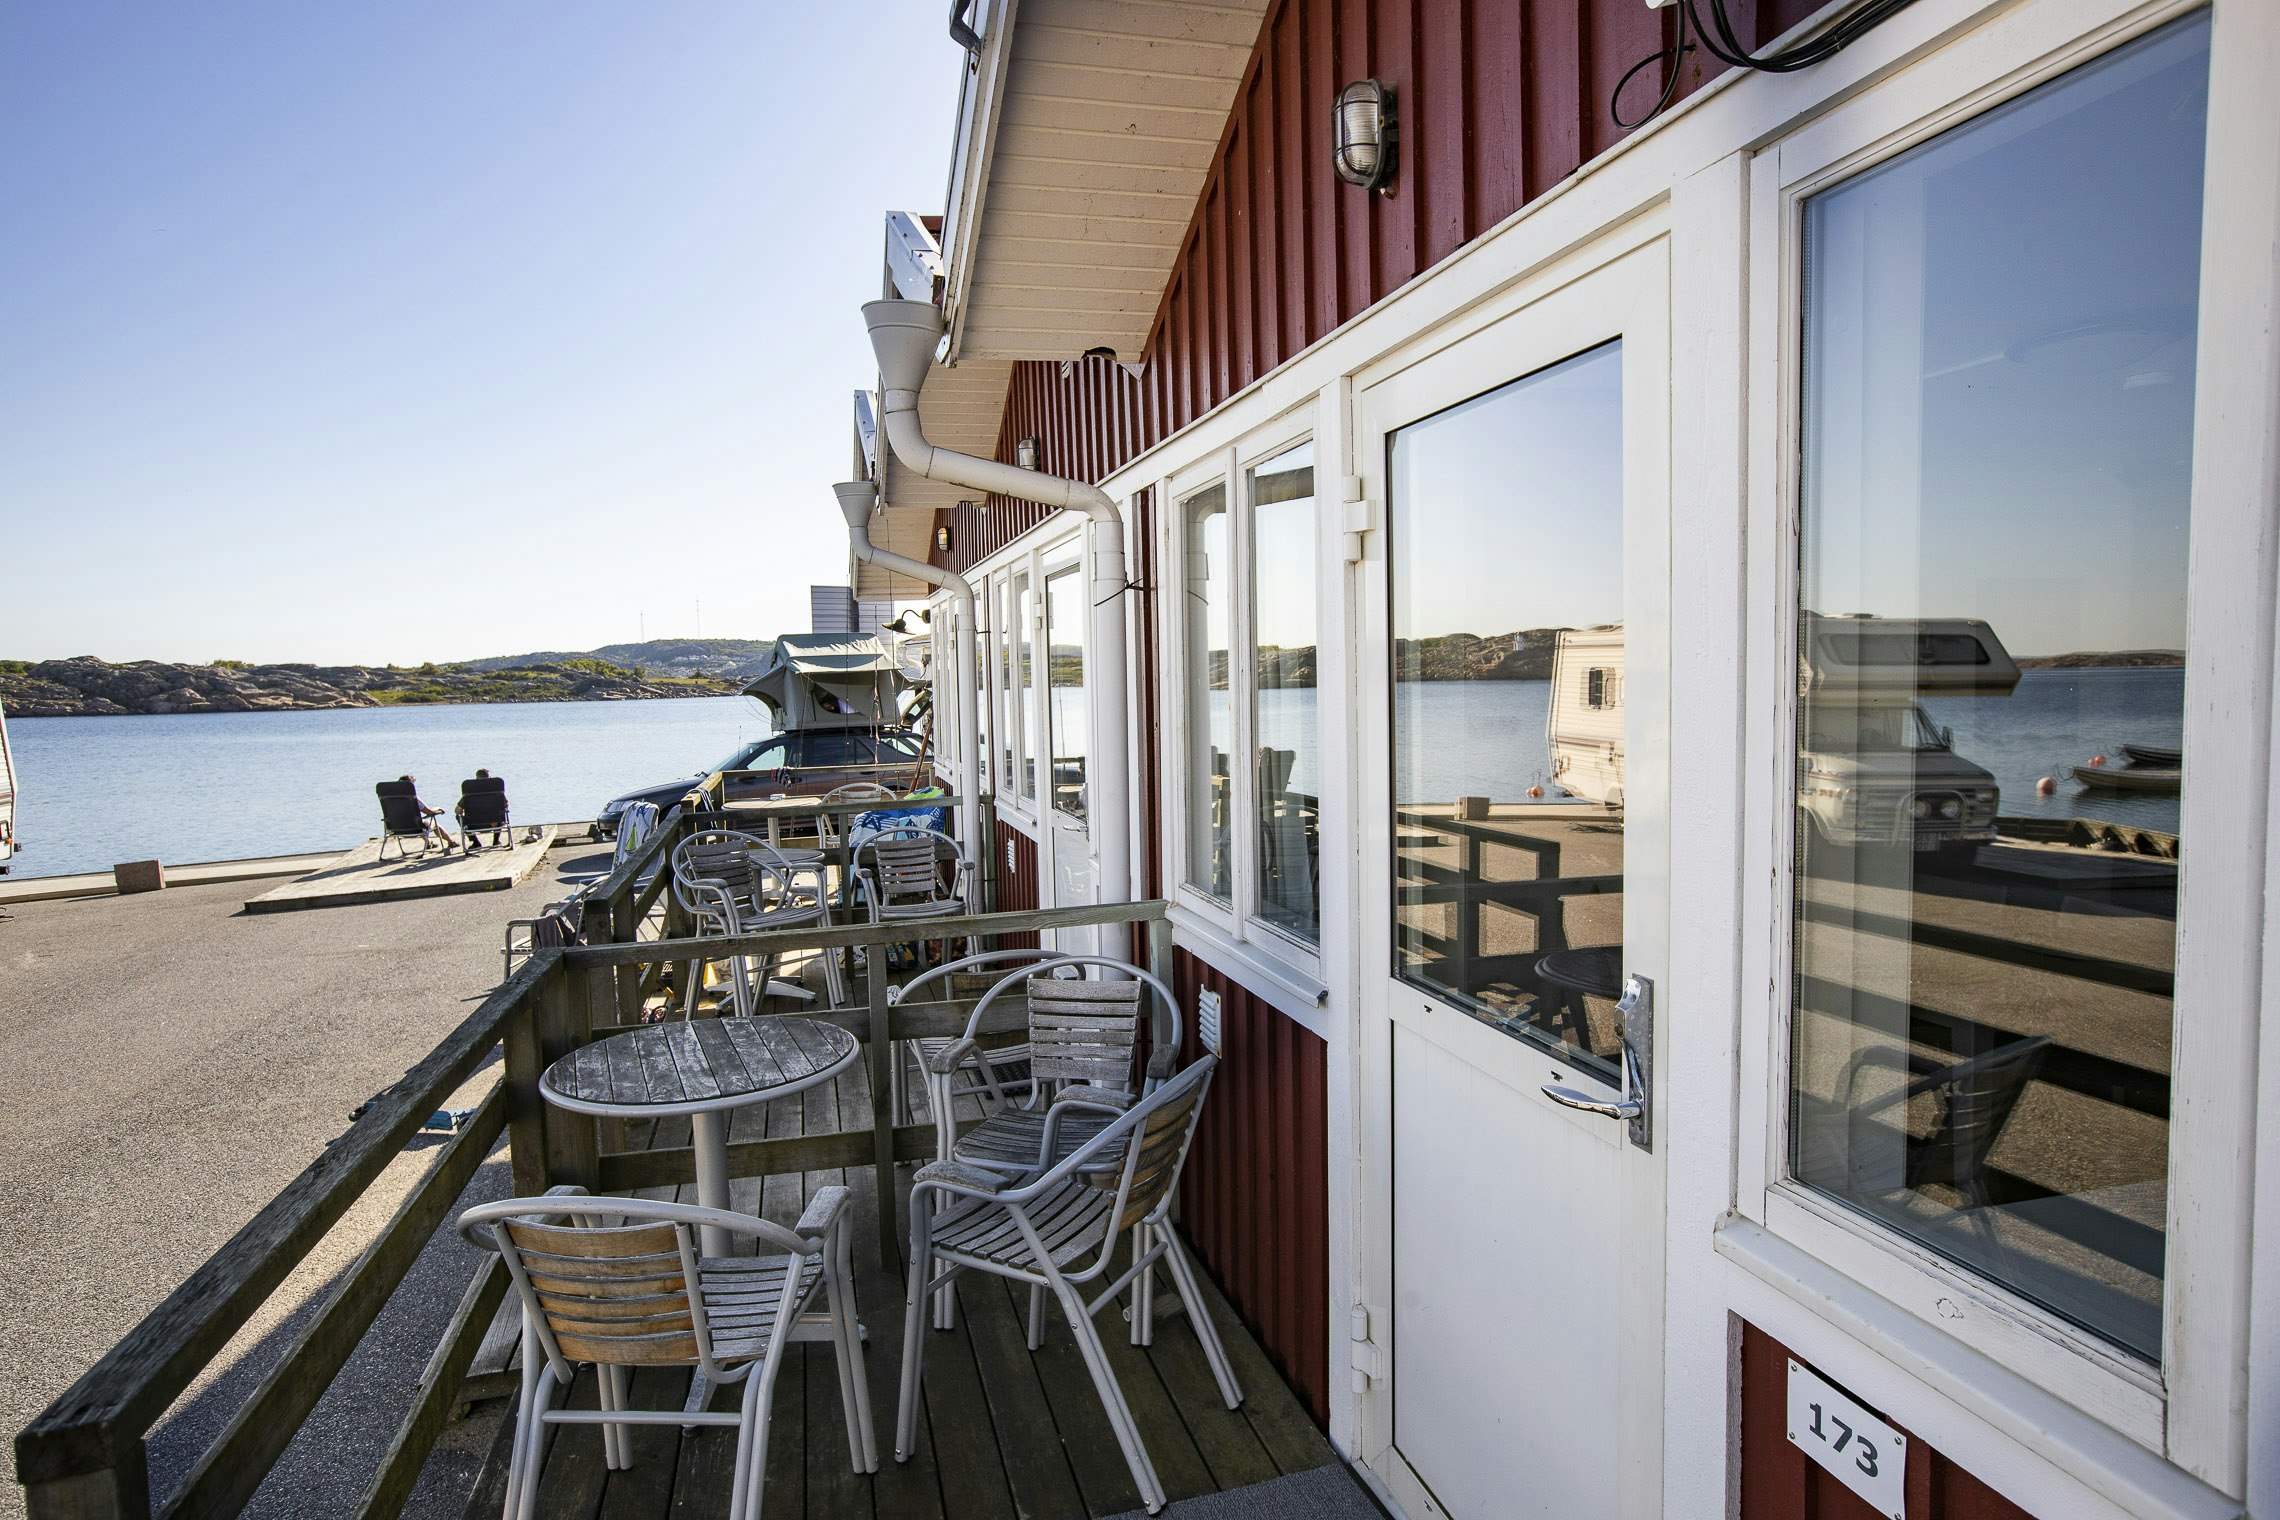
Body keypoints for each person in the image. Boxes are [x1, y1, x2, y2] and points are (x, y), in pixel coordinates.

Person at [400, 775, 457, 852]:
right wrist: (438, 808)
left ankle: (429, 843)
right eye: (412, 783)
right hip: (415, 829)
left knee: (418, 822)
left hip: (397, 829)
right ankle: (451, 842)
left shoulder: (390, 799)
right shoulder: (413, 798)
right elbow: (429, 812)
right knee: (433, 824)